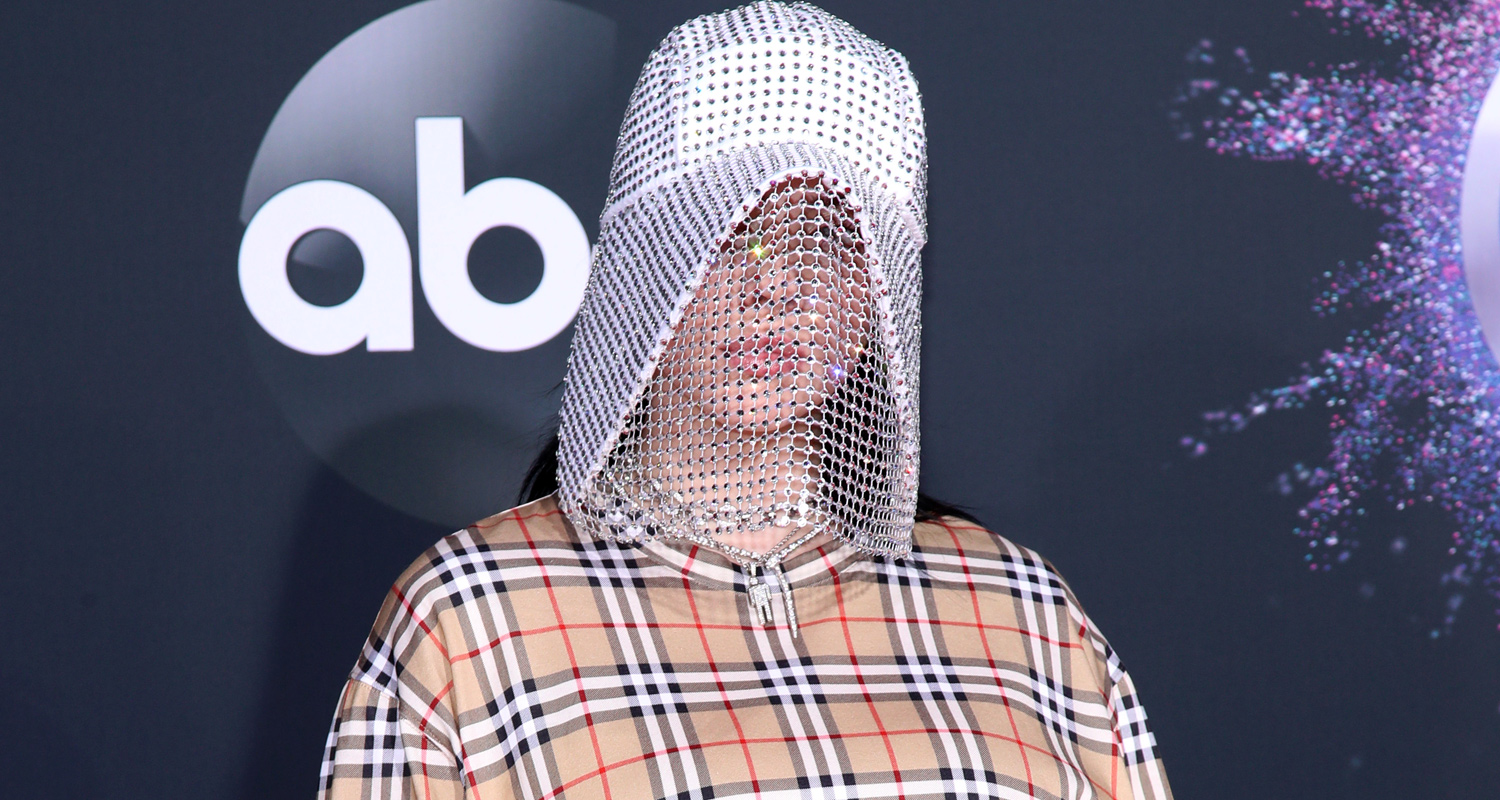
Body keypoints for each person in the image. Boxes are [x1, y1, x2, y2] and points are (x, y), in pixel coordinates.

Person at [317, 3, 1173, 798]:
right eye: (738, 234)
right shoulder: (473, 611)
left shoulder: (1017, 604)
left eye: (828, 240)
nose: (779, 288)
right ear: (646, 259)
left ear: (880, 295)